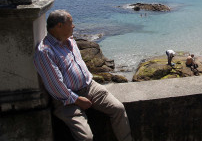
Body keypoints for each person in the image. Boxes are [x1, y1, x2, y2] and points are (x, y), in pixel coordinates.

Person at [33, 10, 132, 141]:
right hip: (66, 100)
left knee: (118, 109)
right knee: (86, 137)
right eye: (71, 23)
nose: (73, 26)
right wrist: (77, 99)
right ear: (59, 26)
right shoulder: (45, 51)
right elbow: (55, 86)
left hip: (90, 87)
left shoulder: (70, 40)